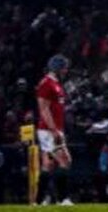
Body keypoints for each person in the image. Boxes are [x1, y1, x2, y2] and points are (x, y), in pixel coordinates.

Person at [36, 55, 73, 206]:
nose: (66, 70)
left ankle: (39, 200)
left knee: (48, 165)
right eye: (64, 67)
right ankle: (63, 199)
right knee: (65, 160)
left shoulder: (56, 83)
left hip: (55, 128)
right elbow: (43, 109)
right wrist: (53, 130)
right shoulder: (46, 83)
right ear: (57, 68)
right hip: (49, 130)